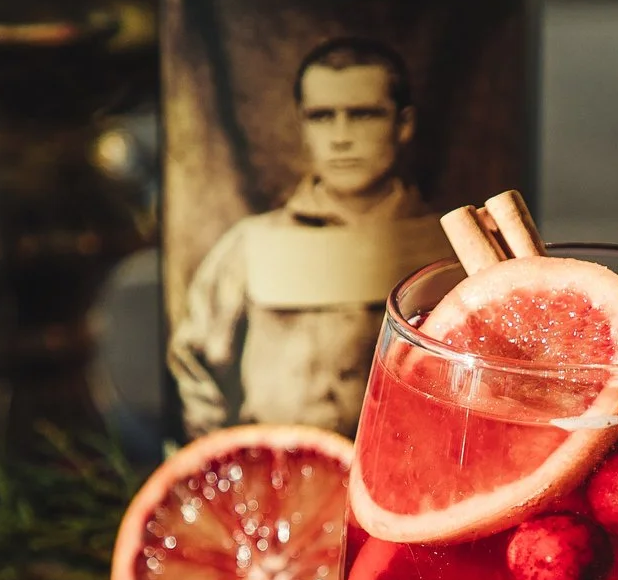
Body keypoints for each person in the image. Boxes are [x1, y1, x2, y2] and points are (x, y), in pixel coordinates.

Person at [170, 37, 451, 434]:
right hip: (281, 478)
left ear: (403, 124)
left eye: (364, 114)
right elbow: (192, 362)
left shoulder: (449, 245)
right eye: (322, 116)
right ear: (302, 125)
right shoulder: (251, 242)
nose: (341, 137)